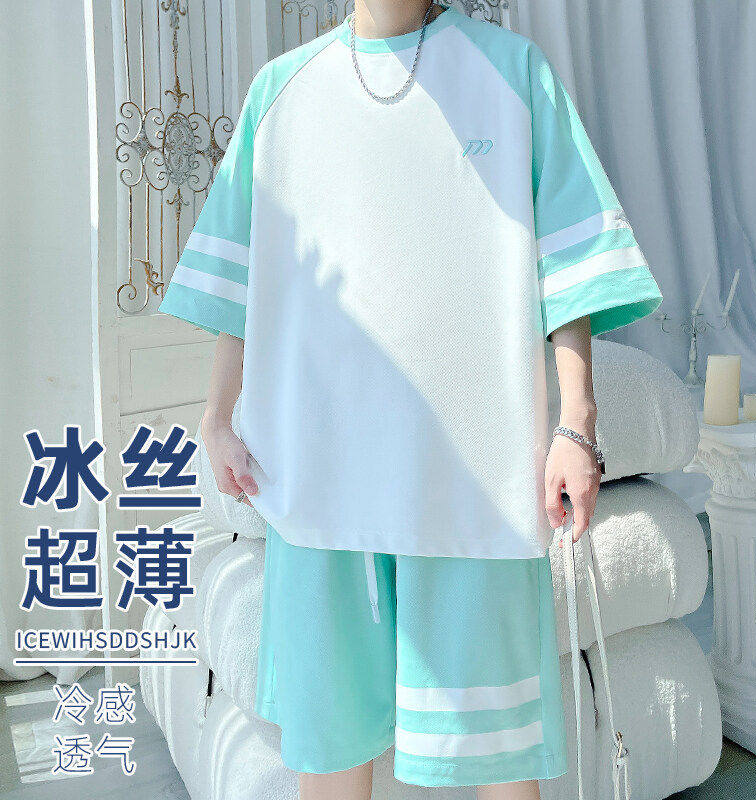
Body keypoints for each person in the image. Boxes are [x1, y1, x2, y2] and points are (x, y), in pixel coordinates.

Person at [159, 1, 662, 797]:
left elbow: (571, 266)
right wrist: (217, 418)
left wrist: (577, 423)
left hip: (475, 478)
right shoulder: (282, 92)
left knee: (500, 759)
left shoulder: (513, 74)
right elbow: (241, 281)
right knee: (330, 754)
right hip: (319, 478)